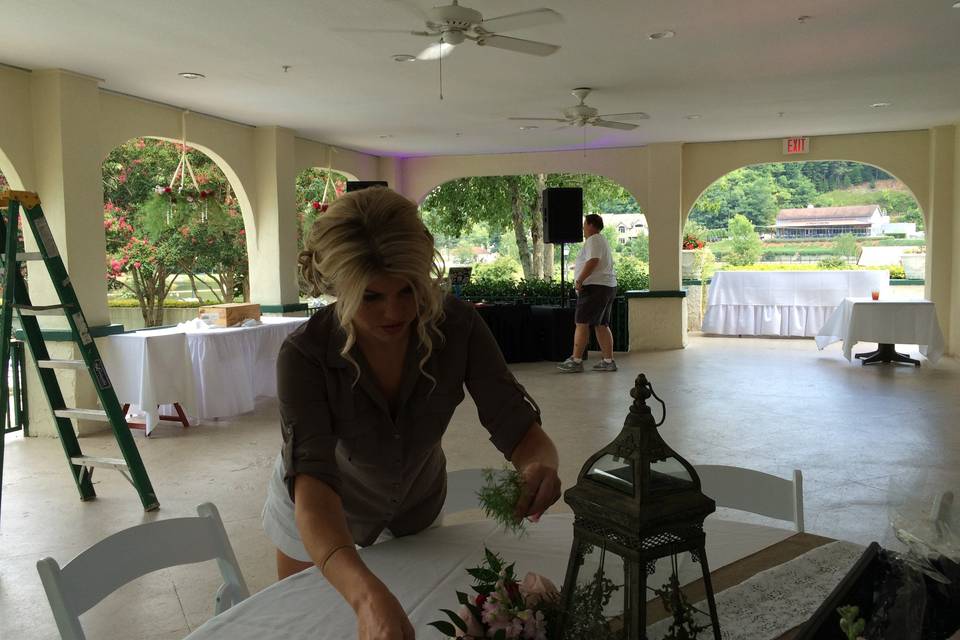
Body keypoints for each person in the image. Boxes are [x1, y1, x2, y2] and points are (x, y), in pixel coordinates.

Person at [261, 187, 561, 640]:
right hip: (318, 512)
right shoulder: (304, 355)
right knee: (315, 625)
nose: (395, 311)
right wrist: (365, 596)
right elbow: (314, 487)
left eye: (408, 289)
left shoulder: (458, 326)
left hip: (416, 506)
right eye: (370, 297)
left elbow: (517, 426)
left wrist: (541, 466)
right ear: (338, 288)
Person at [557, 213, 618, 373]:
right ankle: (608, 361)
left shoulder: (593, 240)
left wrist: (579, 280)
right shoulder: (602, 240)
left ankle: (576, 361)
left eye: (584, 224)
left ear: (591, 225)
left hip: (594, 287)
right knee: (601, 324)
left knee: (581, 322)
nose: (583, 228)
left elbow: (593, 261)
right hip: (607, 286)